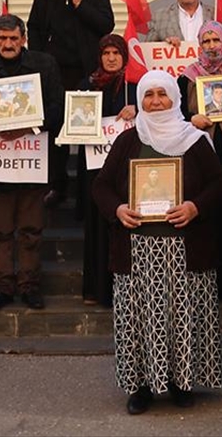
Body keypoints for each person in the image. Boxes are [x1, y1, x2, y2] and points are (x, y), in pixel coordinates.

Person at [92, 70, 222, 414]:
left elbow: (220, 185)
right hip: (137, 251)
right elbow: (101, 187)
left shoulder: (195, 140)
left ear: (175, 98)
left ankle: (182, 383)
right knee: (139, 320)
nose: (155, 101)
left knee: (182, 315)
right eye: (148, 95)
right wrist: (118, 209)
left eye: (162, 94)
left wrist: (196, 207)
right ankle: (141, 386)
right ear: (140, 101)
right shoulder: (128, 141)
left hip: (186, 249)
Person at [0, 14, 64, 312]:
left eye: (14, 38)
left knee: (31, 228)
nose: (8, 44)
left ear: (23, 39)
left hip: (32, 158)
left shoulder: (44, 64)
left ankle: (29, 286)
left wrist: (27, 126)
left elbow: (58, 107)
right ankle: (2, 287)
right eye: (3, 38)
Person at [27, 0, 115, 209]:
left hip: (88, 72)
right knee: (56, 131)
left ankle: (86, 189)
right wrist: (39, 61)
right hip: (55, 72)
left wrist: (80, 5)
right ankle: (57, 185)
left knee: (86, 129)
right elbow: (35, 29)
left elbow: (106, 25)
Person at [179, 21, 222, 302]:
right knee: (207, 219)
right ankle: (206, 287)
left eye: (215, 40)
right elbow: (178, 112)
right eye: (205, 41)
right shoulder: (188, 76)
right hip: (202, 158)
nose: (211, 46)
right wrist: (190, 118)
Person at [76, 34, 137, 308]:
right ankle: (96, 289)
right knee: (97, 225)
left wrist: (137, 110)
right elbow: (74, 122)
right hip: (94, 168)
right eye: (106, 53)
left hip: (126, 171)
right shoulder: (86, 86)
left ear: (124, 56)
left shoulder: (133, 87)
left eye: (116, 53)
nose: (111, 58)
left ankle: (125, 289)